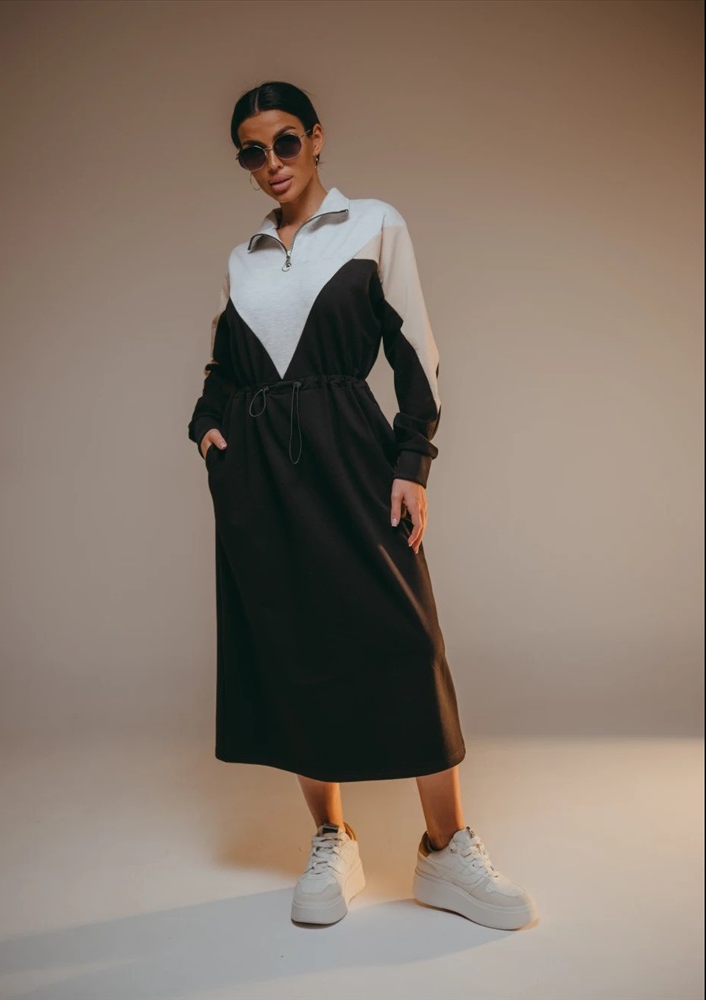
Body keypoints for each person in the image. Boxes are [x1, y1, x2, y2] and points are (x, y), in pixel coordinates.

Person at [187, 81, 538, 931]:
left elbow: (418, 350)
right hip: (260, 474)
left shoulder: (374, 225)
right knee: (296, 645)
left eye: (284, 142)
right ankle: (332, 839)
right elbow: (221, 371)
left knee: (407, 638)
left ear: (316, 138)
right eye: (252, 151)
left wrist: (413, 459)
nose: (271, 163)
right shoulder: (242, 258)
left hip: (353, 454)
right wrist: (206, 431)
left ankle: (445, 849)